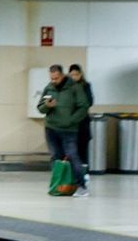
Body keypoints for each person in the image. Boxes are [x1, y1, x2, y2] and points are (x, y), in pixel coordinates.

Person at [38, 64, 92, 197]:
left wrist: (71, 120)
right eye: (51, 78)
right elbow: (40, 108)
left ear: (62, 75)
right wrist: (47, 106)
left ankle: (81, 186)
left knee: (72, 155)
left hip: (69, 130)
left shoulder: (75, 88)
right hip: (51, 128)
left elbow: (83, 107)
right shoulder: (49, 88)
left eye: (56, 78)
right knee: (56, 156)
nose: (53, 81)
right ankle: (59, 185)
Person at [69, 64, 95, 184]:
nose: (74, 77)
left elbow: (89, 102)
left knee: (82, 151)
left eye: (76, 74)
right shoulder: (65, 87)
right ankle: (71, 175)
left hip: (82, 124)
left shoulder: (86, 86)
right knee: (70, 151)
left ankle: (84, 174)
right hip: (68, 125)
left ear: (81, 74)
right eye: (72, 75)